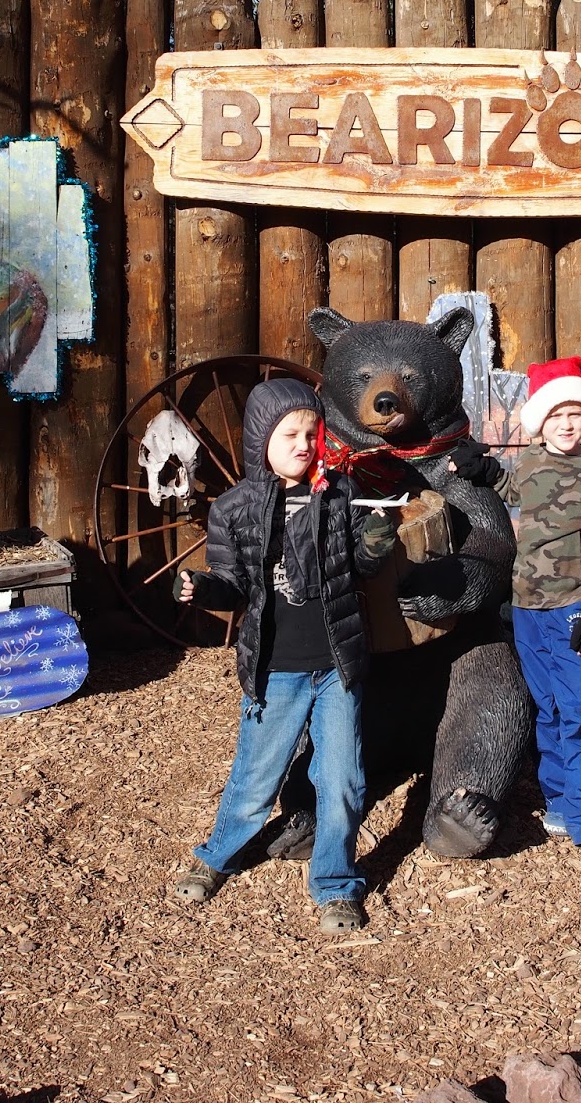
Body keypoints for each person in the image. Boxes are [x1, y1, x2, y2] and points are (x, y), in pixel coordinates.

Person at [172, 378, 395, 932]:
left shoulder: (338, 494)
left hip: (336, 663)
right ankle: (216, 856)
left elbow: (360, 571)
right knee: (256, 774)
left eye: (312, 433)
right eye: (290, 433)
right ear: (260, 440)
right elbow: (232, 581)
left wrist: (373, 545)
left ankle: (336, 883)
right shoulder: (235, 509)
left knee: (343, 777)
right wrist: (203, 589)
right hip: (275, 667)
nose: (304, 443)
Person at [450, 355, 581, 870]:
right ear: (540, 421)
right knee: (546, 709)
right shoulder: (528, 462)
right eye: (557, 416)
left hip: (573, 607)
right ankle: (561, 800)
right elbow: (513, 491)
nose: (567, 424)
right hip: (527, 608)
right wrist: (484, 471)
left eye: (576, 414)